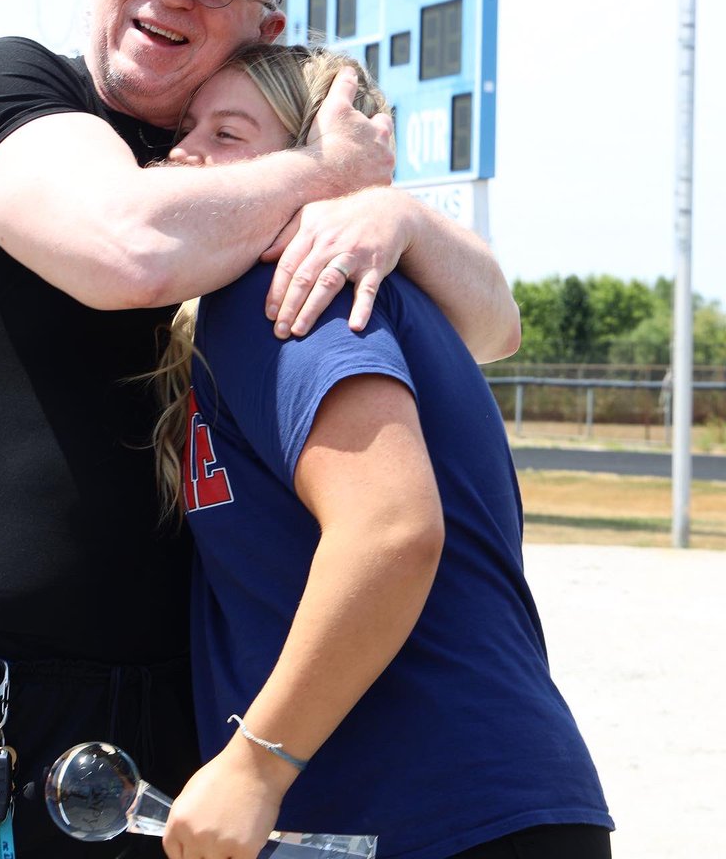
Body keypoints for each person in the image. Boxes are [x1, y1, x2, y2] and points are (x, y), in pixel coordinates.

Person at [0, 0, 520, 859]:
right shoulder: (12, 90)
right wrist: (326, 172)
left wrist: (394, 211)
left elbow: (492, 328)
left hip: (160, 723)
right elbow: (126, 249)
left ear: (265, 27)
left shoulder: (236, 173)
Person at [155, 44, 613, 859]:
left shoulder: (293, 291)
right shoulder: (343, 288)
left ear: (315, 161)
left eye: (228, 134)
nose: (186, 152)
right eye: (187, 126)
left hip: (433, 814)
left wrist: (254, 768)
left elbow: (392, 532)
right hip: (468, 806)